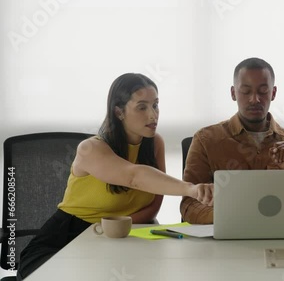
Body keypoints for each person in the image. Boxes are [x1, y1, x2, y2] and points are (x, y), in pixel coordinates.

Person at [17, 73, 213, 280]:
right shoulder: (90, 149)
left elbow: (154, 204)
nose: (153, 115)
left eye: (155, 105)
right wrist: (191, 189)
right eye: (142, 107)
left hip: (119, 234)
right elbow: (133, 176)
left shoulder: (155, 143)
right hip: (65, 238)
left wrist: (113, 228)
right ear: (119, 112)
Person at [180, 57, 284, 224]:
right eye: (246, 91)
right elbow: (189, 204)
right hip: (225, 239)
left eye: (263, 91)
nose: (254, 99)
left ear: (273, 93)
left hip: (279, 238)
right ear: (233, 93)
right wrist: (230, 217)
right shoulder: (206, 140)